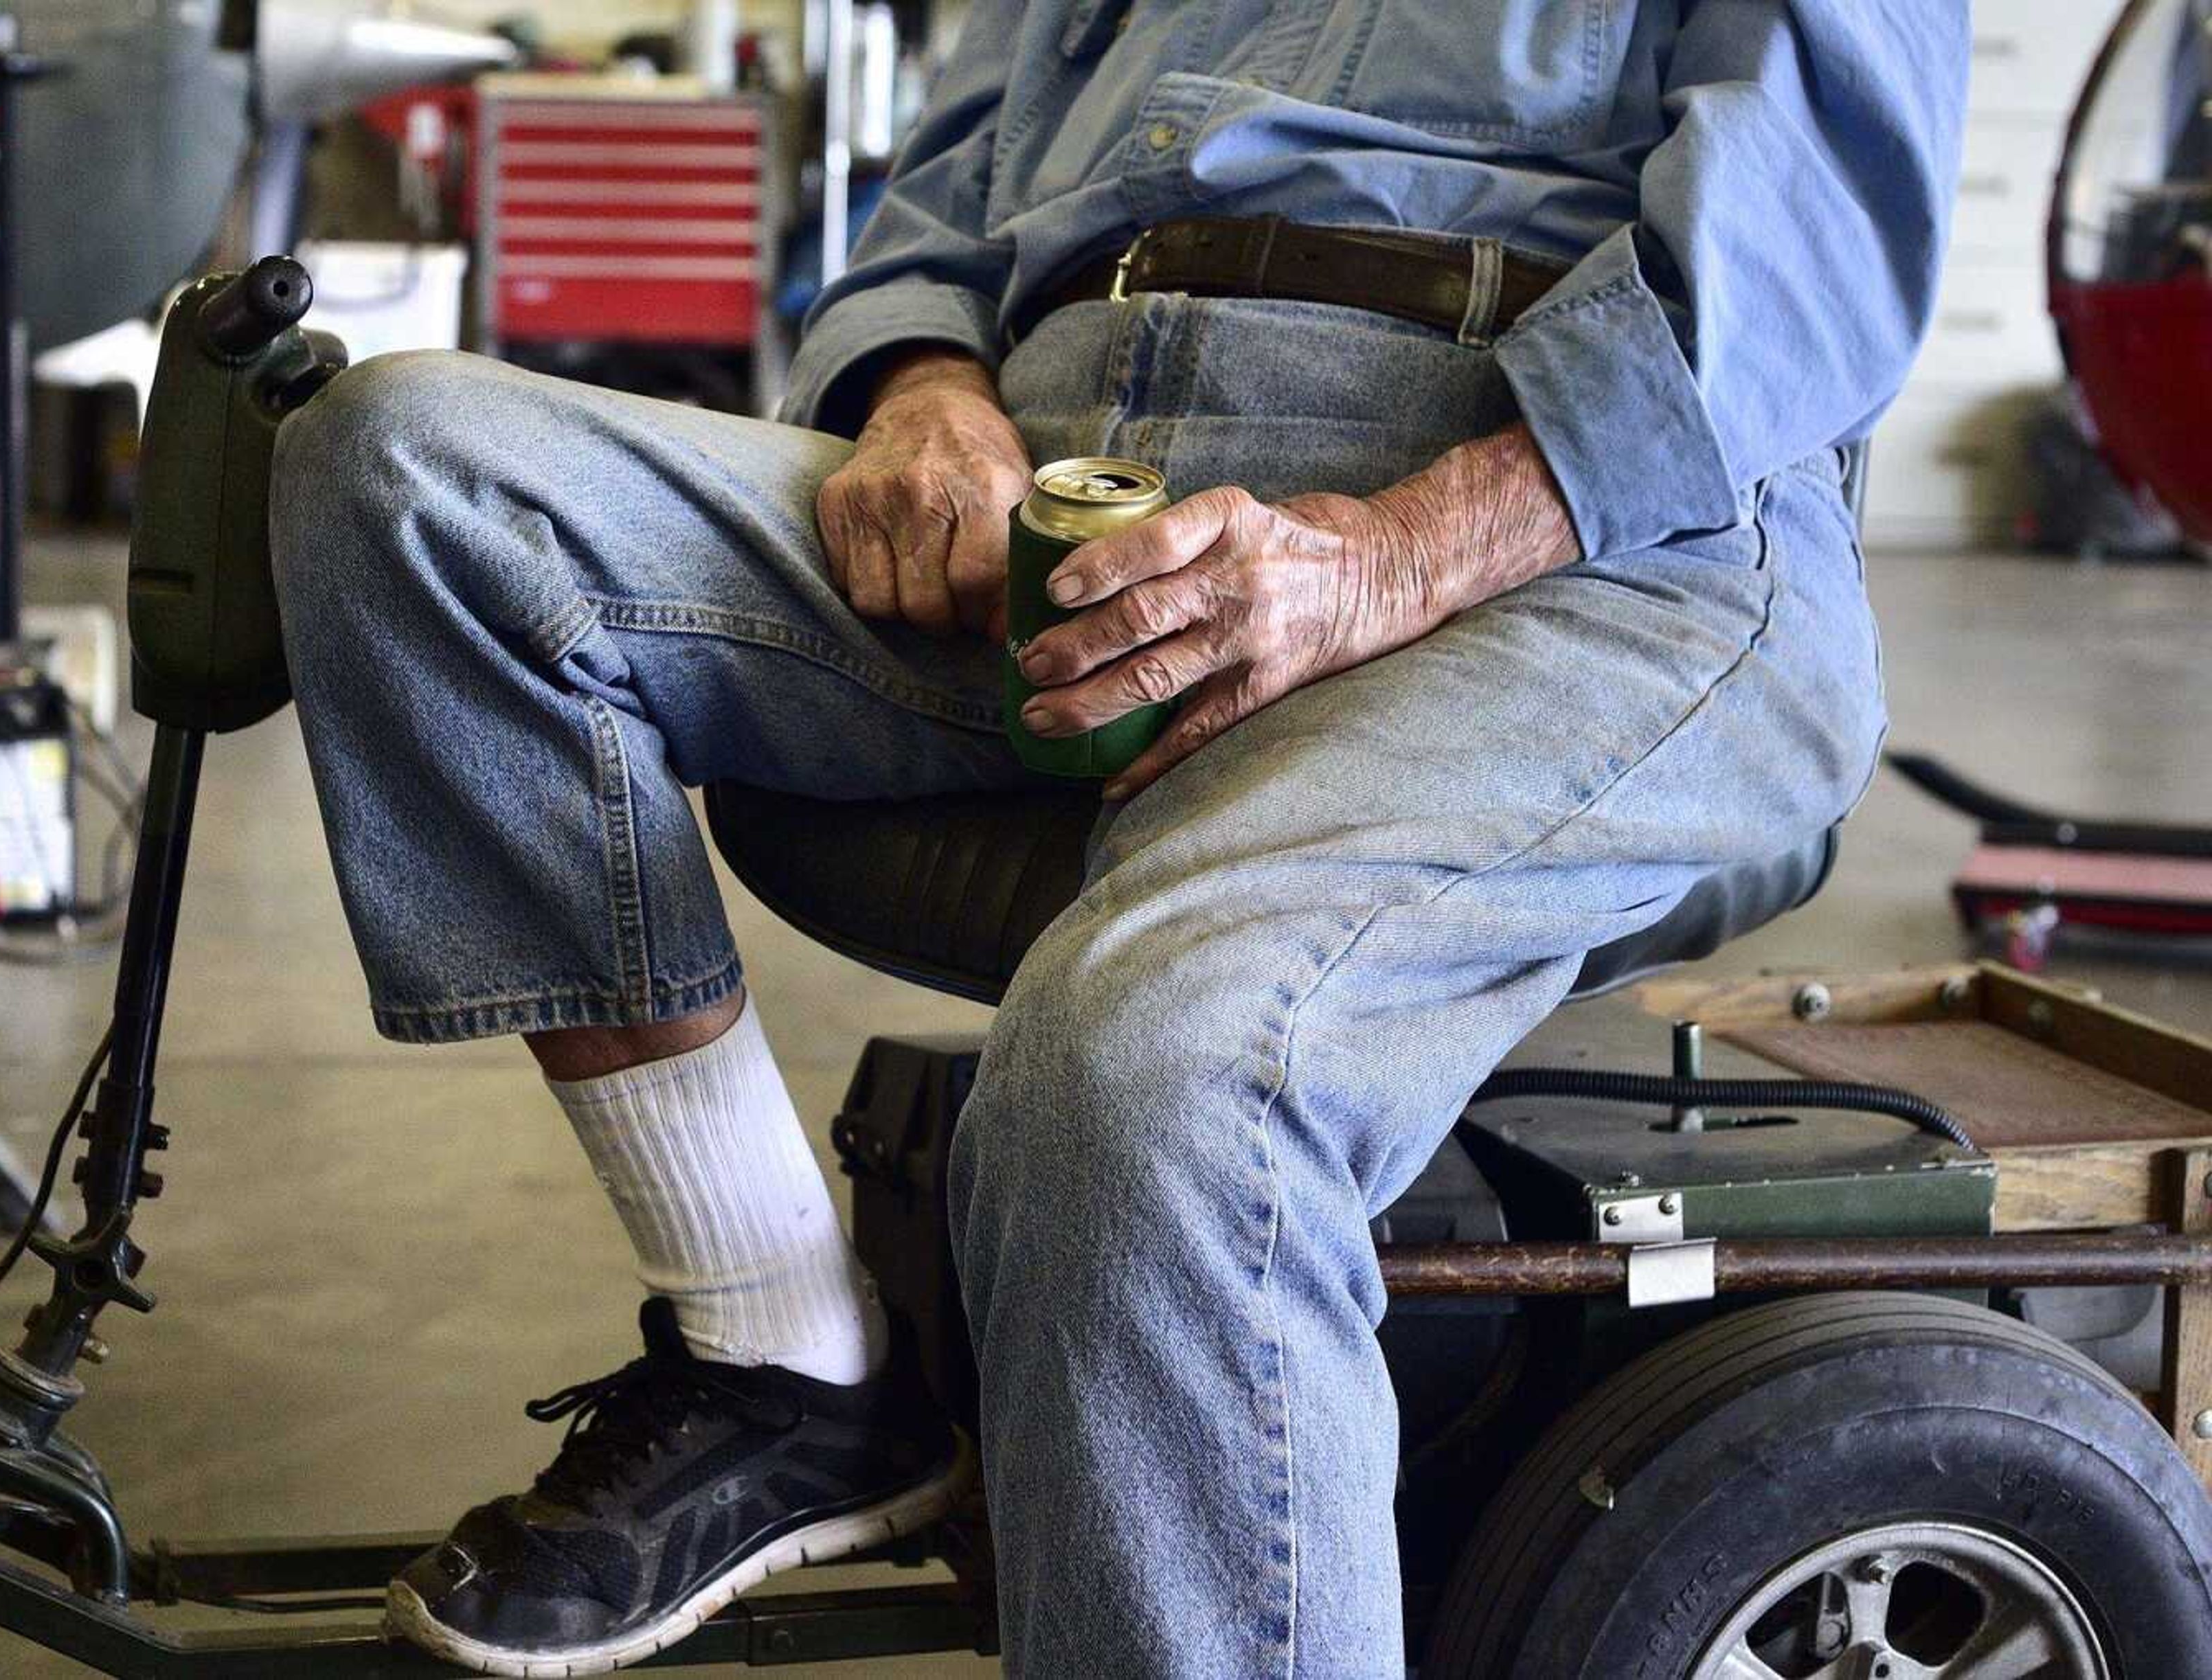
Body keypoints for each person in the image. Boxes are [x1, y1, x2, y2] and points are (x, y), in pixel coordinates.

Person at [267, 4, 1966, 1675]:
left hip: (1559, 540)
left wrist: (1384, 553)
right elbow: (941, 194)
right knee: (415, 477)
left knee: (1152, 1070)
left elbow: (1796, 264)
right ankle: (779, 1350)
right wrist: (925, 387)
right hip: (1074, 490)